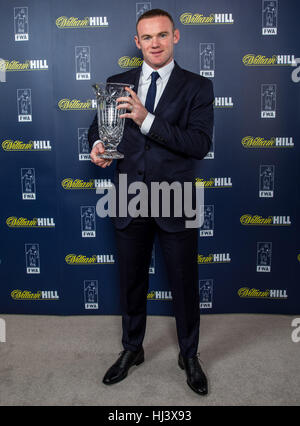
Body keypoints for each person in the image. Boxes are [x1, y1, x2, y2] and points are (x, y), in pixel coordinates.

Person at [88, 9, 214, 396]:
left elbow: (198, 145)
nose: (154, 43)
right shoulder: (117, 84)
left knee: (184, 283)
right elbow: (99, 129)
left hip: (176, 199)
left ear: (175, 36)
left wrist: (145, 119)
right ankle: (132, 349)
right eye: (147, 37)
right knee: (131, 282)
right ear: (137, 41)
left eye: (162, 35)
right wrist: (97, 146)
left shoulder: (197, 86)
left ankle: (189, 355)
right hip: (128, 197)